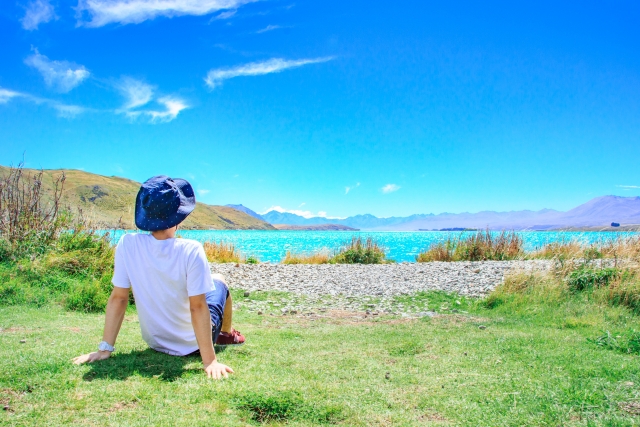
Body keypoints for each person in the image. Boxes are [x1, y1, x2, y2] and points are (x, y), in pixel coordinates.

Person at [73, 175, 245, 380]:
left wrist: (104, 349)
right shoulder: (191, 249)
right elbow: (197, 306)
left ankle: (226, 333)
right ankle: (226, 334)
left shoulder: (127, 244)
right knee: (220, 280)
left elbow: (118, 298)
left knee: (210, 284)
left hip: (155, 342)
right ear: (179, 215)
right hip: (193, 345)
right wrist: (210, 361)